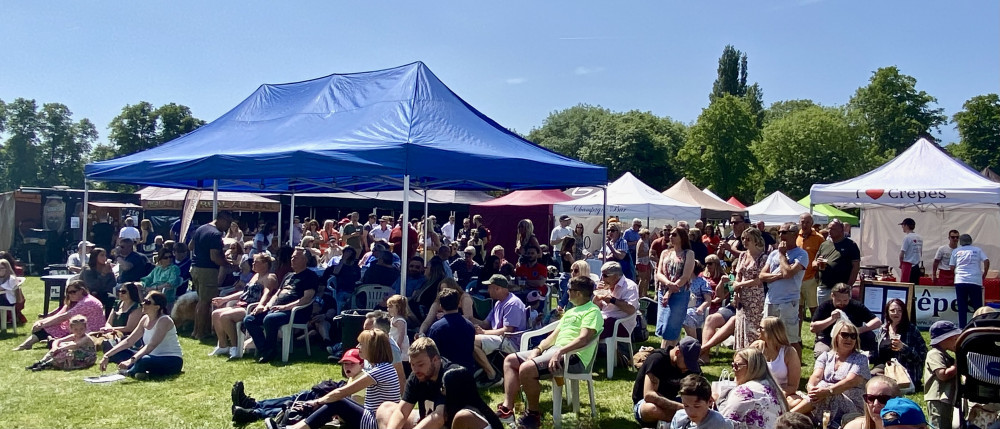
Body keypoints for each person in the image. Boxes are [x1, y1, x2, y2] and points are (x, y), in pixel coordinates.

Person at [495, 276, 603, 429]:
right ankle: (507, 409)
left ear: (578, 293)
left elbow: (584, 339)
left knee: (526, 369)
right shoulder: (571, 311)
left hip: (573, 357)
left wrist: (560, 352)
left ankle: (533, 415)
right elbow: (552, 337)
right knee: (510, 360)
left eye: (570, 290)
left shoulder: (592, 311)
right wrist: (537, 350)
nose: (567, 293)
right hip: (556, 352)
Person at [274, 329, 400, 429]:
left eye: (361, 344)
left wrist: (317, 402)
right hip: (376, 417)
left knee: (338, 401)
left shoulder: (379, 371)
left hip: (375, 422)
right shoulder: (384, 367)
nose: (357, 347)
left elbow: (342, 392)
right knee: (338, 401)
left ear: (373, 348)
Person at [231, 350, 365, 425]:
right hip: (335, 391)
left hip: (338, 407)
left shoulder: (363, 379)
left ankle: (253, 413)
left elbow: (354, 403)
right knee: (299, 397)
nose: (347, 367)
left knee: (299, 406)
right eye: (345, 363)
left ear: (362, 364)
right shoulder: (354, 376)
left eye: (351, 364)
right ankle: (253, 404)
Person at [243, 247, 319, 364]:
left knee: (270, 319)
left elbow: (306, 299)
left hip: (296, 312)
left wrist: (285, 307)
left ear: (305, 260)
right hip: (276, 309)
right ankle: (266, 350)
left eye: (296, 258)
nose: (292, 260)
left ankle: (269, 351)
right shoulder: (288, 275)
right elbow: (277, 294)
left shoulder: (310, 276)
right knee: (249, 319)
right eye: (292, 257)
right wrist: (267, 305)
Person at [791, 321, 870, 425]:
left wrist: (827, 391)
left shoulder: (861, 359)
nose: (849, 339)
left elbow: (850, 381)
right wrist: (811, 388)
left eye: (853, 336)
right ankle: (799, 419)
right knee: (793, 399)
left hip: (852, 406)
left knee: (823, 387)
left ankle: (788, 416)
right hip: (823, 398)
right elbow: (816, 375)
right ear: (836, 336)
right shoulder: (825, 356)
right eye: (845, 335)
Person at [376, 337, 462, 429]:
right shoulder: (417, 376)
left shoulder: (451, 376)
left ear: (435, 360)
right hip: (425, 417)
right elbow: (402, 411)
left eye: (421, 364)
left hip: (450, 424)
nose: (416, 370)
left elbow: (439, 417)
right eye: (412, 364)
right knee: (385, 408)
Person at [100, 291, 184, 379]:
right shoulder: (144, 319)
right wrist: (107, 355)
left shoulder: (164, 320)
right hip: (150, 356)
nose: (143, 304)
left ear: (157, 307)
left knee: (144, 360)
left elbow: (151, 346)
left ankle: (130, 372)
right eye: (143, 301)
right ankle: (140, 371)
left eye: (147, 302)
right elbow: (129, 341)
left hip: (171, 360)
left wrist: (130, 361)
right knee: (117, 351)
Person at [210, 253, 278, 359]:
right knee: (215, 314)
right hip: (241, 304)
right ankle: (223, 345)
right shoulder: (255, 276)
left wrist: (260, 305)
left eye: (256, 262)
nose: (253, 264)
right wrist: (224, 299)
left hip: (251, 308)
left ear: (265, 264)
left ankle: (235, 347)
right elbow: (244, 292)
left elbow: (267, 293)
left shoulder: (270, 277)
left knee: (225, 316)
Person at [760, 222, 809, 356]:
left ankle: (796, 373)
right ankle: (772, 367)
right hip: (771, 300)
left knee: (790, 340)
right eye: (779, 232)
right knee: (767, 337)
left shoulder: (801, 254)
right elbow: (762, 275)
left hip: (788, 302)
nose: (780, 235)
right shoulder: (773, 254)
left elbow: (788, 273)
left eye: (784, 232)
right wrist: (777, 276)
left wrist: (782, 255)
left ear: (794, 234)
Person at [14, 280, 105, 351]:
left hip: (90, 332)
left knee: (51, 326)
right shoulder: (79, 301)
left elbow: (64, 317)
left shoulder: (87, 302)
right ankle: (32, 343)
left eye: (73, 292)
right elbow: (59, 314)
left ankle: (27, 344)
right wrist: (42, 322)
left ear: (81, 291)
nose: (70, 295)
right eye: (69, 293)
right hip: (80, 328)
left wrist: (43, 325)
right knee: (50, 325)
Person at [631, 336, 702, 426]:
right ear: (677, 352)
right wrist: (682, 408)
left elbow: (702, 391)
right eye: (687, 363)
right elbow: (649, 395)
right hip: (647, 403)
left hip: (672, 401)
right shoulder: (657, 359)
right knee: (651, 409)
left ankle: (675, 422)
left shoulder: (690, 366)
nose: (688, 367)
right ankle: (684, 421)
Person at [472, 274, 527, 384]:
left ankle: (493, 376)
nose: (487, 290)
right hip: (501, 338)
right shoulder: (498, 303)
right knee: (468, 336)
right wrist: (467, 321)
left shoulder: (513, 304)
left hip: (511, 342)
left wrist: (483, 333)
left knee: (472, 341)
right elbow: (485, 323)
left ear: (497, 288)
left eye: (489, 287)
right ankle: (481, 369)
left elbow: (508, 330)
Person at [716, 348, 788, 429]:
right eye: (732, 365)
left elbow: (723, 424)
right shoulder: (774, 388)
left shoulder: (744, 392)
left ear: (751, 367)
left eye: (737, 366)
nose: (733, 370)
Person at [189, 211, 234, 339]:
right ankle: (200, 333)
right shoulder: (215, 234)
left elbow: (190, 246)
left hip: (195, 268)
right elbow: (214, 257)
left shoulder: (201, 228)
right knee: (206, 302)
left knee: (201, 301)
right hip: (207, 270)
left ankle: (196, 331)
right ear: (221, 219)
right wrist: (228, 264)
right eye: (228, 223)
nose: (228, 226)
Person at [810, 283, 881, 358]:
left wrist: (858, 330)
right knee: (821, 354)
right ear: (832, 296)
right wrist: (831, 319)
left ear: (849, 297)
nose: (842, 303)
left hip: (852, 338)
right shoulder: (825, 306)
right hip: (829, 338)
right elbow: (813, 328)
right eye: (838, 300)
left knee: (871, 341)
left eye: (845, 300)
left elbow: (877, 322)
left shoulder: (856, 306)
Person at [655, 227, 695, 347]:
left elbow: (685, 276)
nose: (670, 236)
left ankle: (666, 354)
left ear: (682, 237)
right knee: (664, 326)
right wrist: (668, 285)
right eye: (669, 234)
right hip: (663, 290)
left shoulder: (688, 253)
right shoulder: (665, 253)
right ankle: (666, 353)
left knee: (672, 325)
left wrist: (670, 291)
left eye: (674, 234)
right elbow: (659, 273)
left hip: (680, 292)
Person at [750, 316, 801, 401]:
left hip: (781, 392)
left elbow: (793, 386)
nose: (758, 330)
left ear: (771, 331)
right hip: (757, 389)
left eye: (761, 328)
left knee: (795, 402)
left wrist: (775, 394)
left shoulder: (789, 352)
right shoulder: (756, 347)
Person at [440, 366, 506, 429]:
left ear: (453, 391)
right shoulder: (481, 409)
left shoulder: (463, 416)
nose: (441, 390)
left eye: (443, 387)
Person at [923, 320, 960, 429]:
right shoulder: (934, 354)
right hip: (938, 399)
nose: (956, 341)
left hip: (946, 398)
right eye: (954, 338)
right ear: (944, 339)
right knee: (939, 425)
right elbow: (942, 375)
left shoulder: (945, 355)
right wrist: (957, 365)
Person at [427, 288, 476, 370]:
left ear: (441, 306)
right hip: (467, 372)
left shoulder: (436, 328)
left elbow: (431, 355)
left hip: (446, 374)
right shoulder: (470, 325)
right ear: (458, 303)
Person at [25, 315, 97, 371]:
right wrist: (55, 347)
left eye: (81, 329)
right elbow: (58, 340)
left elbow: (75, 345)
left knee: (65, 350)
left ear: (85, 328)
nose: (79, 331)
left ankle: (46, 364)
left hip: (86, 358)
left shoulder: (86, 338)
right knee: (61, 348)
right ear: (71, 329)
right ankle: (41, 362)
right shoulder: (73, 336)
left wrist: (60, 348)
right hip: (77, 356)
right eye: (76, 329)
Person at [816, 219, 861, 306]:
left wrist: (848, 286)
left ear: (841, 229)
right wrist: (817, 263)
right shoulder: (824, 245)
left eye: (832, 229)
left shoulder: (851, 245)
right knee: (823, 315)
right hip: (824, 287)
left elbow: (855, 267)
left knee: (841, 315)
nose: (829, 231)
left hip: (841, 290)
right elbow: (813, 263)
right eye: (828, 228)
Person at [950, 233, 990, 328]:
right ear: (971, 241)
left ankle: (962, 327)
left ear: (961, 241)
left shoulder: (956, 251)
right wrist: (984, 273)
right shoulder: (978, 250)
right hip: (975, 280)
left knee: (962, 306)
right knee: (977, 306)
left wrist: (957, 272)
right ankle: (979, 325)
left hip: (960, 280)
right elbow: (986, 261)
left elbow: (951, 267)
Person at [595, 261, 639, 340]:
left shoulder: (630, 286)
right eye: (602, 275)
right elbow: (597, 306)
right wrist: (597, 296)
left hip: (620, 323)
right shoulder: (606, 285)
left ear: (615, 276)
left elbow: (631, 309)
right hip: (604, 318)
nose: (602, 278)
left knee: (592, 331)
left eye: (605, 275)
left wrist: (612, 300)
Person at [797, 213, 824, 329]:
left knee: (814, 310)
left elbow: (823, 256)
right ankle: (797, 338)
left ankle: (818, 337)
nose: (805, 224)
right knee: (797, 311)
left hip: (811, 279)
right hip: (796, 279)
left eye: (807, 222)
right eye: (802, 222)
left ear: (812, 223)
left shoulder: (819, 238)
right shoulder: (795, 236)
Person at [322, 246, 361, 314]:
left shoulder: (355, 267)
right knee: (341, 299)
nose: (347, 254)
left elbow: (358, 278)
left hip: (353, 290)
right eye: (346, 252)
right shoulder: (340, 265)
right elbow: (335, 272)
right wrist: (343, 260)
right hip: (341, 290)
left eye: (349, 253)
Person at [682, 261, 714, 339]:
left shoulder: (702, 282)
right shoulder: (682, 280)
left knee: (687, 315)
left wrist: (701, 308)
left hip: (696, 309)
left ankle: (693, 342)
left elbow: (708, 300)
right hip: (682, 306)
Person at [79, 247, 117, 311]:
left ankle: (108, 319)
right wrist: (103, 274)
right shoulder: (88, 269)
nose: (104, 258)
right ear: (95, 257)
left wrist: (110, 273)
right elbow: (92, 285)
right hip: (88, 293)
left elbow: (113, 283)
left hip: (103, 292)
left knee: (111, 298)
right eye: (102, 255)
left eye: (105, 255)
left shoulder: (106, 267)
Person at [898, 218, 923, 285]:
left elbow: (902, 253)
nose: (902, 227)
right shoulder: (920, 237)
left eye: (902, 225)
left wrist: (901, 263)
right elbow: (920, 252)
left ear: (906, 225)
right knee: (915, 286)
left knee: (906, 287)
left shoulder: (907, 237)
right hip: (916, 266)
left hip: (908, 266)